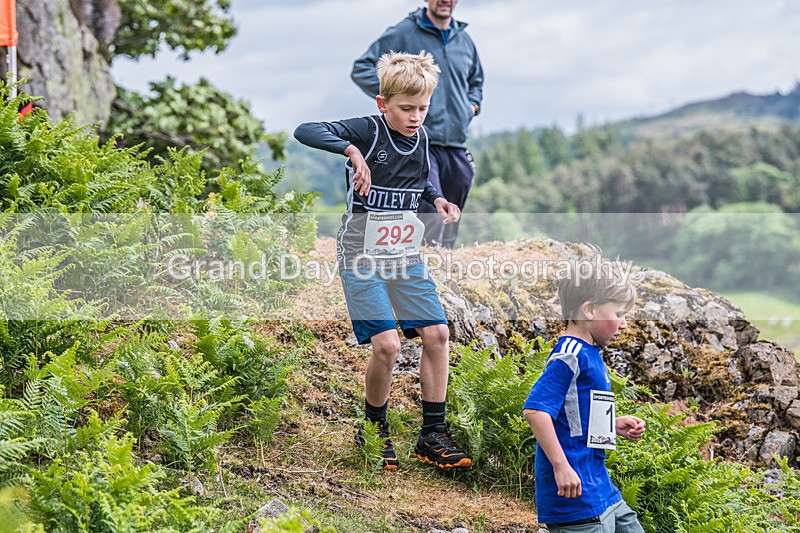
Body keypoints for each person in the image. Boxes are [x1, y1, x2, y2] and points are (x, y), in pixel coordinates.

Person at [294, 51, 472, 471]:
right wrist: (352, 152)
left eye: (422, 108)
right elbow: (305, 129)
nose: (415, 117)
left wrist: (438, 199)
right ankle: (372, 428)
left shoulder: (422, 136)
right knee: (388, 345)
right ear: (382, 103)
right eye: (406, 109)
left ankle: (432, 435)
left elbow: (421, 178)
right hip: (361, 256)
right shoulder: (369, 131)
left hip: (403, 255)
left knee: (438, 334)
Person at [522, 257, 646, 532]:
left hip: (600, 485)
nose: (624, 324)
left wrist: (613, 424)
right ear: (589, 310)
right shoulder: (570, 355)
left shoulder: (590, 353)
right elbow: (536, 411)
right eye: (618, 314)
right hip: (576, 495)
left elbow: (573, 412)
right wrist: (561, 467)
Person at [351, 0, 483, 249]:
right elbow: (362, 68)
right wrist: (397, 97)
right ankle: (420, 265)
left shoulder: (464, 40)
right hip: (418, 140)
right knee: (428, 212)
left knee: (451, 213)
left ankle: (444, 263)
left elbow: (476, 81)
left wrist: (471, 107)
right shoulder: (404, 32)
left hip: (455, 142)